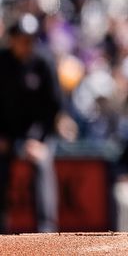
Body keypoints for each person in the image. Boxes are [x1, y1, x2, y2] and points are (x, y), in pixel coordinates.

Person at [0, 14, 62, 233]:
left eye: (31, 39)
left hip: (38, 134)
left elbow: (53, 106)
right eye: (23, 39)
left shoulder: (43, 62)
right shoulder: (3, 62)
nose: (27, 44)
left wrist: (39, 140)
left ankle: (46, 231)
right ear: (13, 39)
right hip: (7, 134)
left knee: (43, 162)